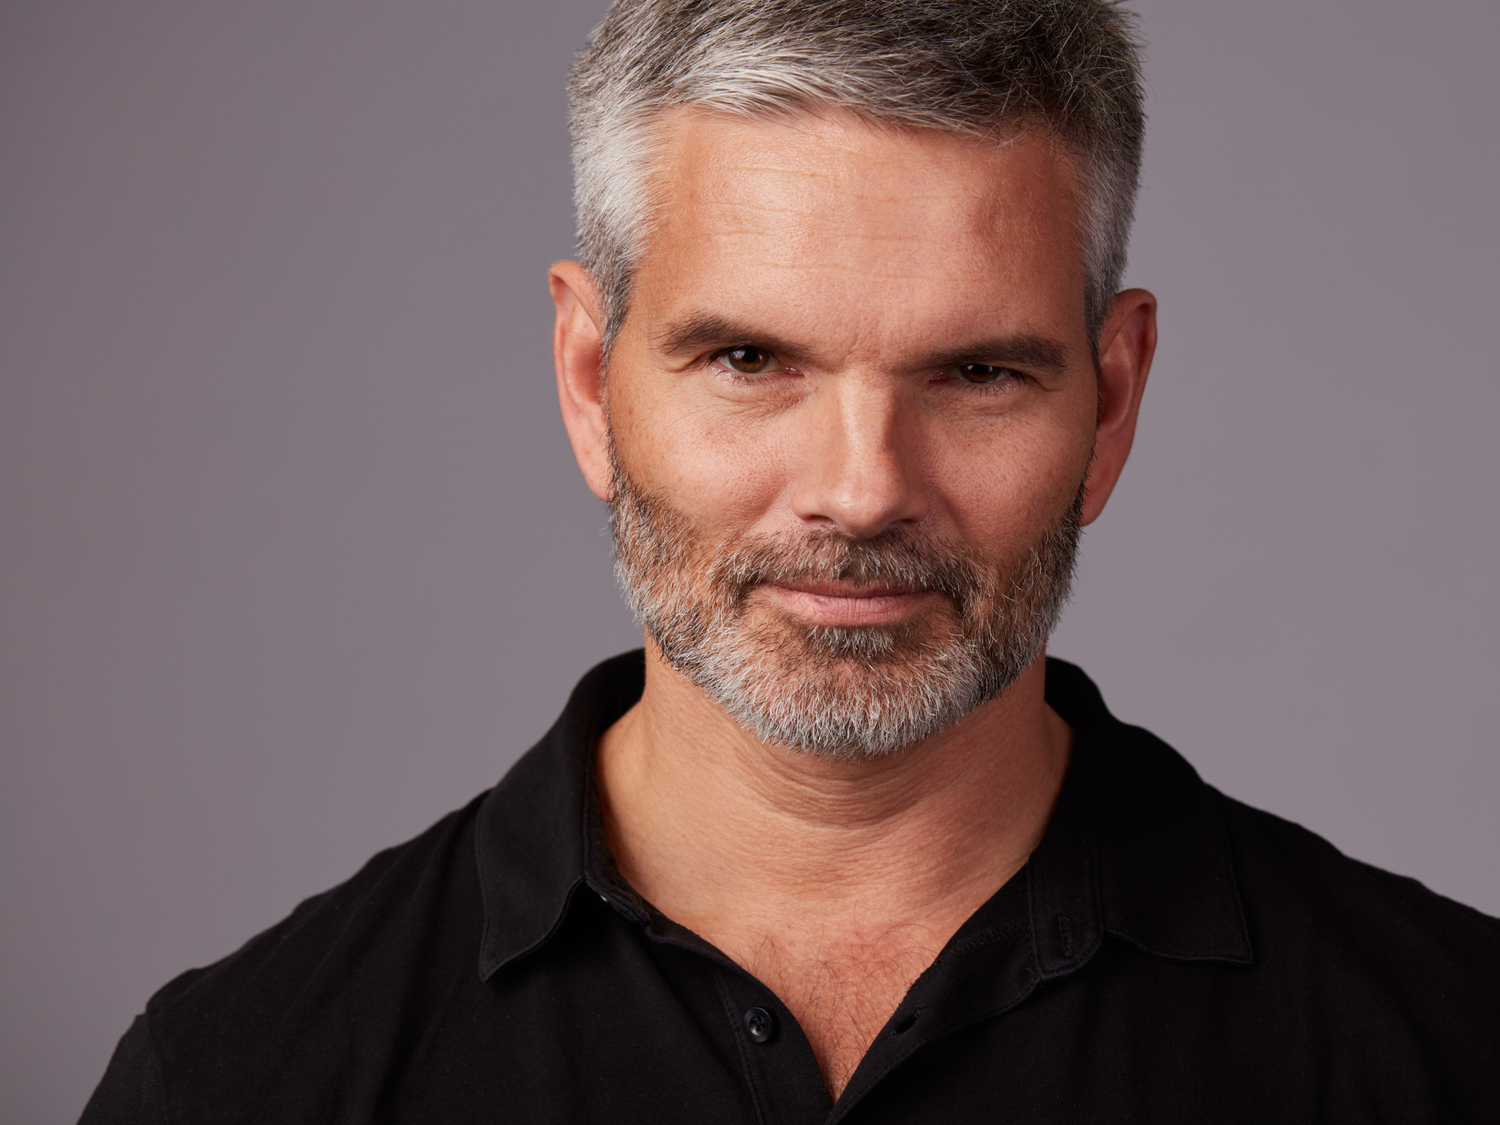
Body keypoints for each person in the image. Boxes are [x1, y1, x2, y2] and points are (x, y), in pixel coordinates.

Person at [81, 0, 1500, 1120]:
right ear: (590, 379)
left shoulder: (1451, 1050)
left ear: (1112, 401)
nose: (861, 491)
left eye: (979, 373)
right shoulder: (239, 1079)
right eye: (751, 360)